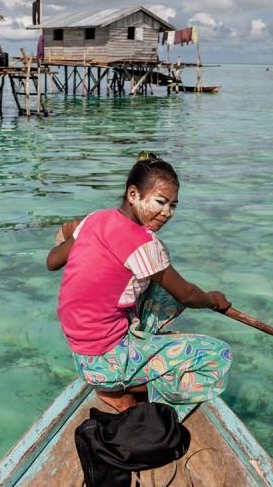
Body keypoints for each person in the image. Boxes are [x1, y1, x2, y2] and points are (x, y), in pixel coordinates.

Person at [47, 152, 232, 420]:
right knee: (218, 356)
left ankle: (127, 364)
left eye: (173, 205)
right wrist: (213, 299)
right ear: (133, 194)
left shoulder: (94, 219)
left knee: (159, 286)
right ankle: (121, 389)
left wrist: (70, 236)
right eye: (160, 201)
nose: (167, 213)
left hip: (80, 353)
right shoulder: (145, 245)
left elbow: (52, 262)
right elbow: (187, 295)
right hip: (104, 363)